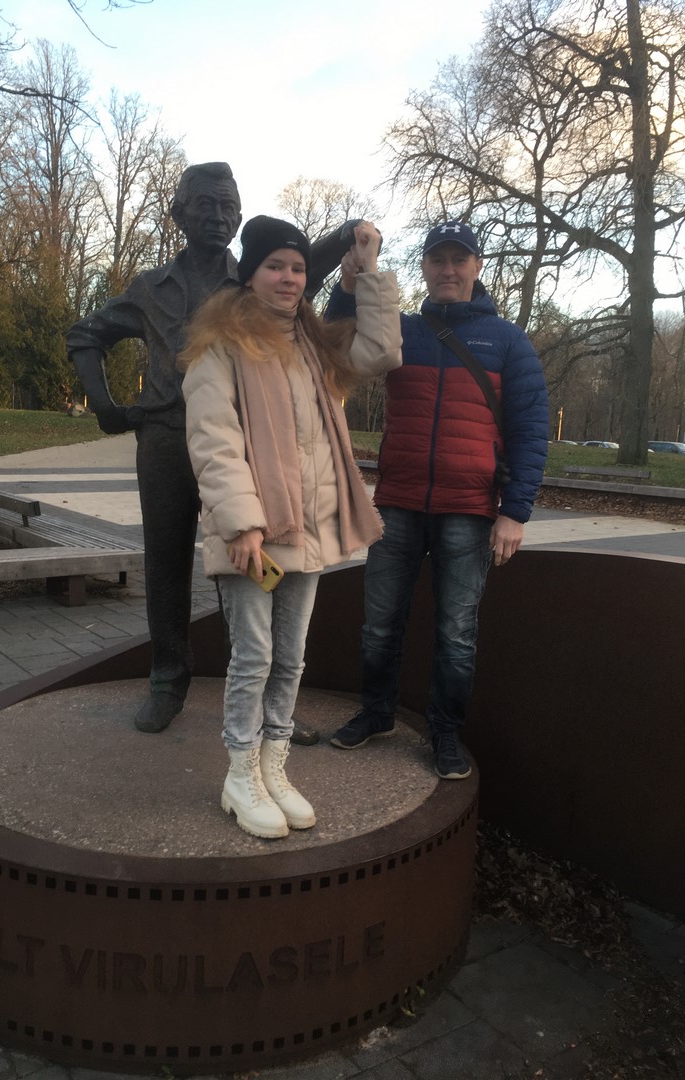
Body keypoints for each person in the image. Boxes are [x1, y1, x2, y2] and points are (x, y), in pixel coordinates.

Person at [66, 162, 357, 741]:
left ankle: (269, 697)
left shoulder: (249, 282)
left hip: (236, 441)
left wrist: (348, 233)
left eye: (228, 207)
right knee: (165, 561)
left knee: (255, 561)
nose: (218, 217)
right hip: (166, 438)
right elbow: (85, 334)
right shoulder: (150, 288)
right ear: (178, 213)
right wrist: (103, 404)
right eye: (205, 205)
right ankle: (167, 681)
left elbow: (306, 263)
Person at [180, 216, 402, 838]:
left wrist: (367, 273)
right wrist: (241, 525)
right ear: (250, 273)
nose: (288, 278)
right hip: (255, 532)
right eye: (275, 265)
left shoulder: (313, 344)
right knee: (254, 656)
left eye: (298, 268)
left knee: (291, 658)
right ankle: (240, 774)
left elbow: (381, 352)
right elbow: (213, 439)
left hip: (307, 527)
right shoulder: (221, 345)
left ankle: (274, 767)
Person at [326, 221, 549, 780]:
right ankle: (377, 713)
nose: (448, 269)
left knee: (456, 634)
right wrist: (347, 286)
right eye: (437, 260)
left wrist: (515, 512)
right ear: (424, 267)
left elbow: (530, 430)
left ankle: (445, 733)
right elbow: (333, 346)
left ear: (477, 267)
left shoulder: (508, 341)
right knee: (379, 625)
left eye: (459, 259)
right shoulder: (400, 331)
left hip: (469, 510)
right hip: (398, 502)